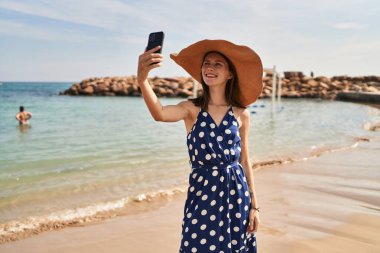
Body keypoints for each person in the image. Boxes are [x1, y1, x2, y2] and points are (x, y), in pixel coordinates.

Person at [137, 39, 262, 253]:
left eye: (217, 64)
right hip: (203, 192)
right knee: (197, 245)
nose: (210, 67)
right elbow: (160, 114)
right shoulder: (191, 109)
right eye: (206, 63)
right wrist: (142, 80)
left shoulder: (242, 113)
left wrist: (254, 206)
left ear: (229, 74)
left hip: (237, 193)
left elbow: (244, 160)